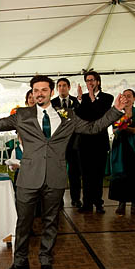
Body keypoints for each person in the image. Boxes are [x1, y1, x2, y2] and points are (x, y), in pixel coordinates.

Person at [0, 76, 125, 269]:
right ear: (32, 92)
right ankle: (20, 262)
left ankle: (46, 260)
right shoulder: (22, 114)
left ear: (51, 92)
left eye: (44, 90)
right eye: (36, 90)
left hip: (55, 176)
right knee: (23, 223)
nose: (39, 94)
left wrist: (115, 110)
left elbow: (93, 128)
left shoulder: (68, 115)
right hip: (28, 178)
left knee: (51, 222)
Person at [75, 71, 114, 214]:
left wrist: (91, 97)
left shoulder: (107, 98)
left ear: (98, 81)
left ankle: (98, 203)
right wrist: (80, 100)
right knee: (85, 174)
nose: (89, 83)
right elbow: (81, 117)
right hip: (84, 142)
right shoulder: (82, 98)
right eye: (87, 80)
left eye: (92, 80)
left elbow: (100, 115)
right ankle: (87, 203)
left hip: (99, 141)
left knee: (97, 174)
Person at [108, 89, 135, 215]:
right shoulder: (117, 112)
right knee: (120, 175)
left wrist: (123, 125)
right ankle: (121, 203)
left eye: (129, 96)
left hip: (133, 147)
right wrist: (126, 123)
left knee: (134, 175)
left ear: (134, 99)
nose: (127, 99)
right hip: (120, 147)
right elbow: (115, 131)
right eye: (124, 96)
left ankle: (134, 203)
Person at [51, 77, 82, 208]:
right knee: (58, 173)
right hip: (58, 144)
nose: (62, 88)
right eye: (60, 86)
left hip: (74, 143)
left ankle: (75, 199)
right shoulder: (52, 103)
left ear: (69, 87)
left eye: (64, 85)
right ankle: (59, 200)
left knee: (75, 173)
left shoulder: (77, 102)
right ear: (57, 88)